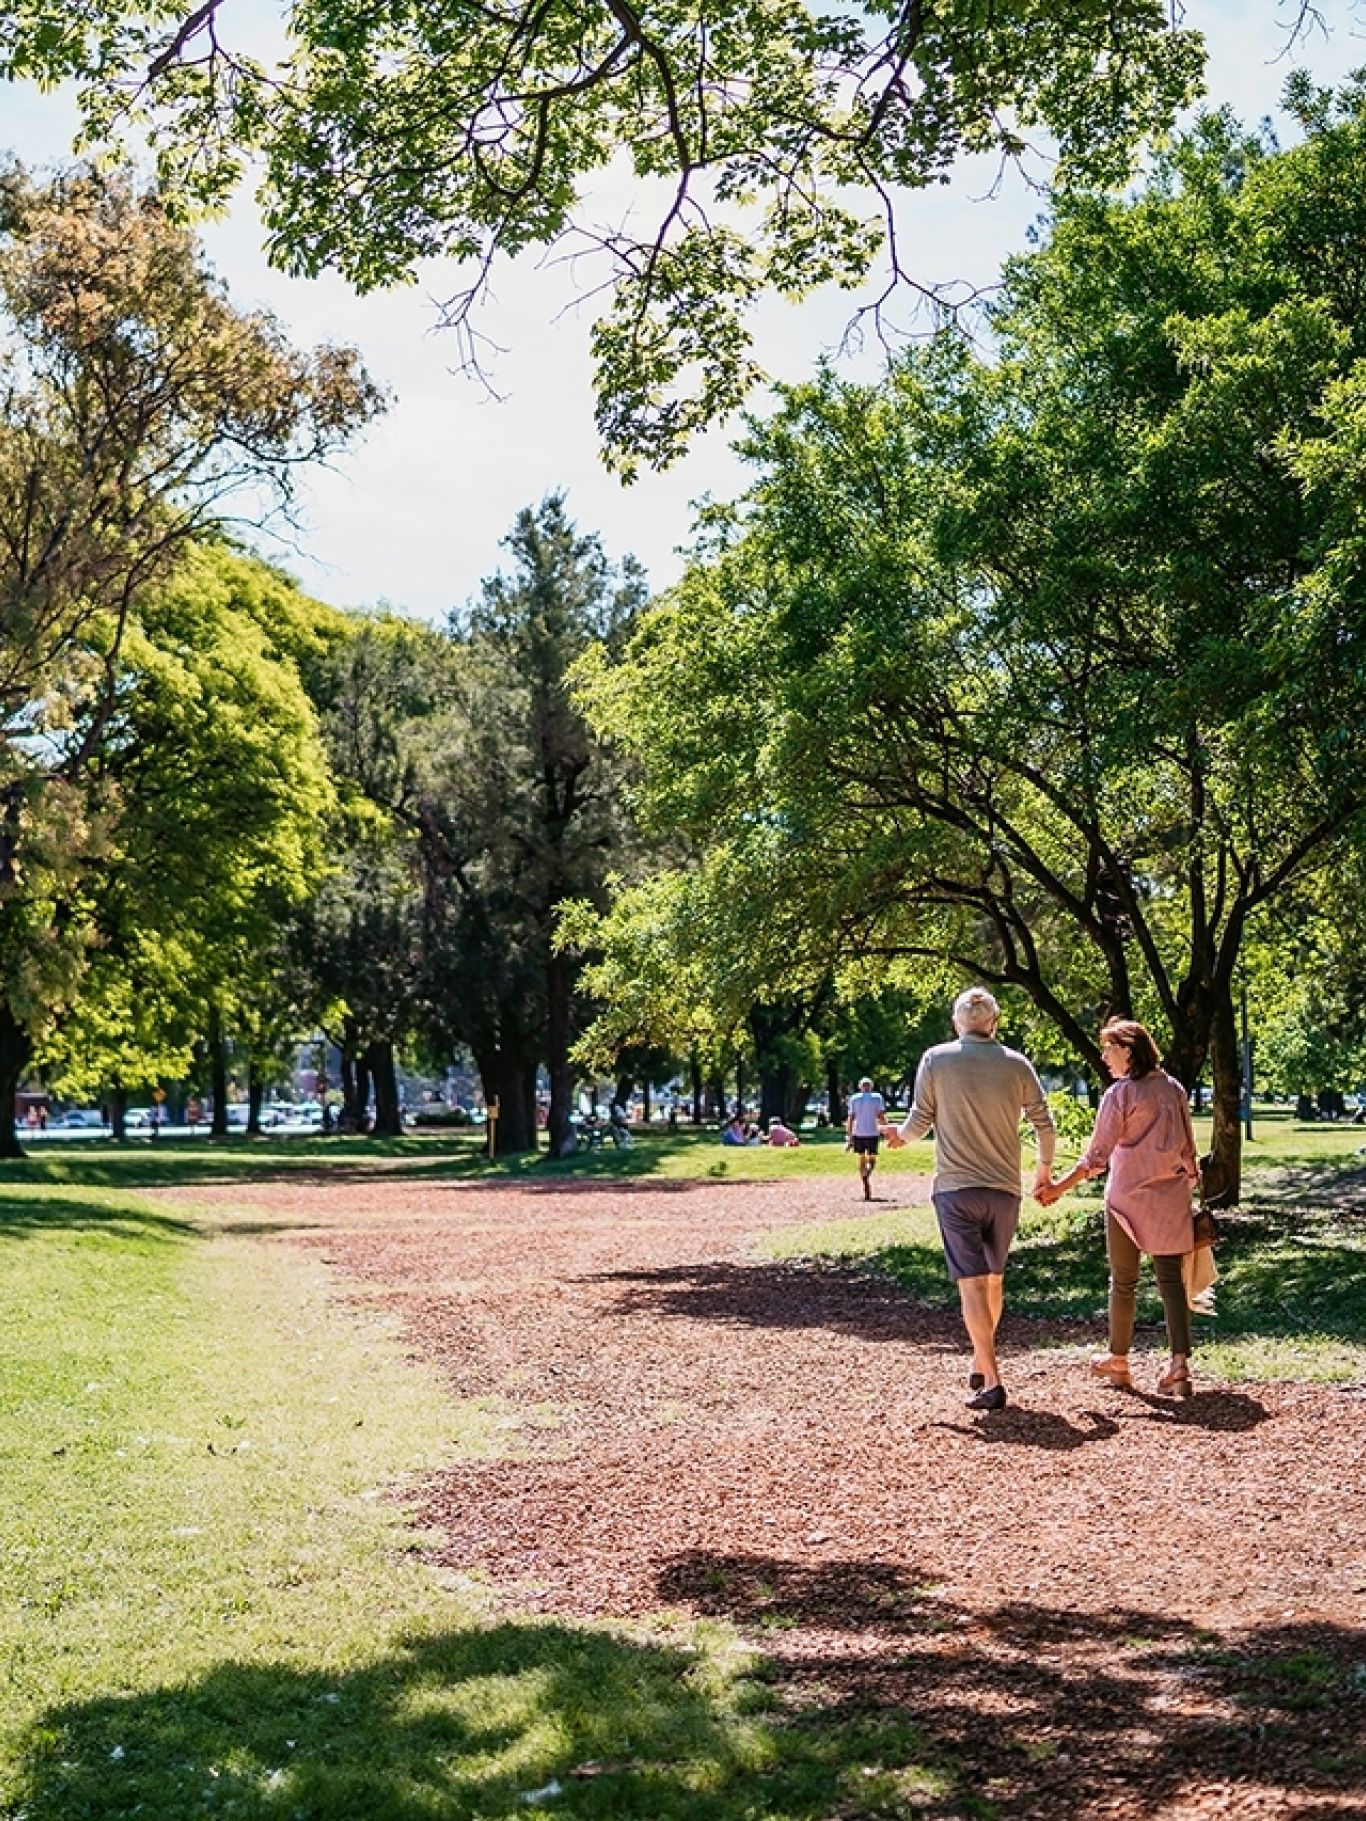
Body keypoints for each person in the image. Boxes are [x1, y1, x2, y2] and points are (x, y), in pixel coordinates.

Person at [896, 987, 1056, 1411]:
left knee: (971, 1285)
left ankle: (993, 1381)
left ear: (956, 1023)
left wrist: (899, 1137)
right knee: (993, 1281)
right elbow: (1045, 1123)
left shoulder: (936, 1059)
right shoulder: (1017, 1064)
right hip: (1004, 1190)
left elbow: (920, 1119)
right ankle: (981, 1360)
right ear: (995, 1023)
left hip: (955, 1189)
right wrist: (1043, 1172)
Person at [1039, 1018, 1201, 1399]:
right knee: (1171, 1283)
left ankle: (1119, 1360)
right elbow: (1190, 1154)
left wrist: (1058, 1188)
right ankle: (1179, 1366)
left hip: (1126, 1201)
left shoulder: (1120, 1095)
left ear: (1127, 1050)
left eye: (1109, 1048)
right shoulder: (1174, 1089)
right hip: (1170, 1198)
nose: (1104, 1055)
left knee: (1123, 1281)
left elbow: (1096, 1157)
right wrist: (1182, 1185)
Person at [845, 1076, 886, 1200]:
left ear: (860, 1087)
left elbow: (851, 1118)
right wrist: (886, 1129)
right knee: (872, 1158)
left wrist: (849, 1135)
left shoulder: (854, 1099)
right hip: (872, 1132)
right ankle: (867, 1174)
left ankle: (864, 1178)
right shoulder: (877, 1098)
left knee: (861, 1158)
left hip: (859, 1133)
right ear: (871, 1086)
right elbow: (880, 1115)